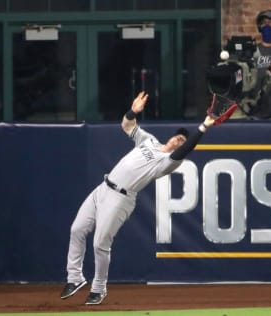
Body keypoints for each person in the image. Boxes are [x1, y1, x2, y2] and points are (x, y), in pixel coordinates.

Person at [60, 91, 216, 305]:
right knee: (76, 229)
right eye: (178, 136)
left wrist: (203, 127)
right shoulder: (149, 140)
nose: (180, 139)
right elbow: (127, 126)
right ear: (170, 136)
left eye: (183, 140)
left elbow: (184, 151)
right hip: (103, 188)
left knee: (100, 244)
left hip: (121, 199)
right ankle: (75, 278)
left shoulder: (168, 162)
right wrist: (133, 111)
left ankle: (98, 288)